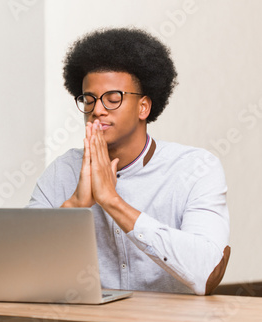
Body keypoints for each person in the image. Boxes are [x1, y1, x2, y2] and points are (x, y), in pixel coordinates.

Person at [27, 27, 230, 295]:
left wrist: (112, 201)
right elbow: (22, 269)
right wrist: (74, 206)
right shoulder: (62, 172)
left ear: (143, 107)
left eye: (113, 99)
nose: (97, 110)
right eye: (89, 100)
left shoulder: (196, 168)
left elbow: (205, 270)